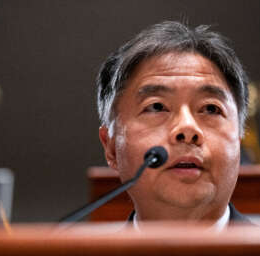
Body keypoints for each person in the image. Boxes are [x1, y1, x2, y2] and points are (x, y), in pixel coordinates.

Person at [97, 21, 251, 228]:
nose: (187, 129)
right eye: (157, 107)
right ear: (112, 148)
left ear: (238, 142)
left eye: (211, 109)